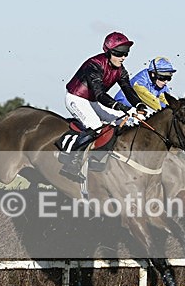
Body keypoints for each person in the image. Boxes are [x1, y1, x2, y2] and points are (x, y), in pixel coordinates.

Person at [61, 32, 147, 179]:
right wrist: (121, 106)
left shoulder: (120, 69)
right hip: (76, 98)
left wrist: (139, 105)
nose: (123, 57)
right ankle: (71, 164)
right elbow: (100, 95)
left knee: (122, 120)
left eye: (126, 53)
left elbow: (127, 89)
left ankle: (107, 158)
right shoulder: (94, 65)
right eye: (119, 54)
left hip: (92, 101)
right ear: (108, 52)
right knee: (95, 126)